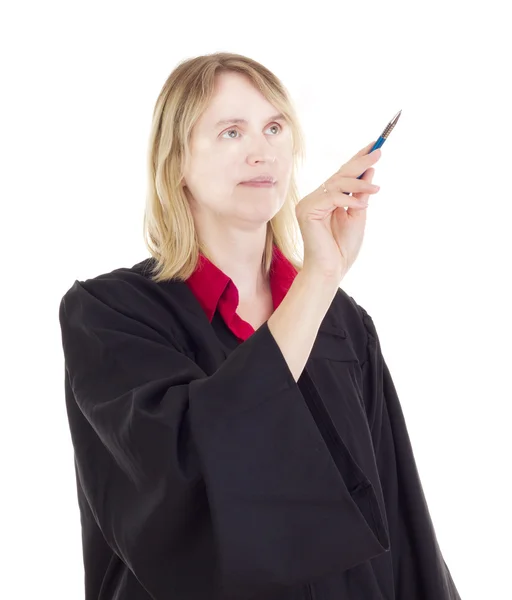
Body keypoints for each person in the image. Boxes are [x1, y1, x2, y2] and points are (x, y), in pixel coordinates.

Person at [58, 52, 461, 600]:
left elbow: (397, 510)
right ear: (175, 161)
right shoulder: (112, 315)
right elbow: (188, 472)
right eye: (230, 131)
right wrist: (318, 277)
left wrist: (320, 286)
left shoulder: (344, 324)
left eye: (275, 128)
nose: (262, 150)